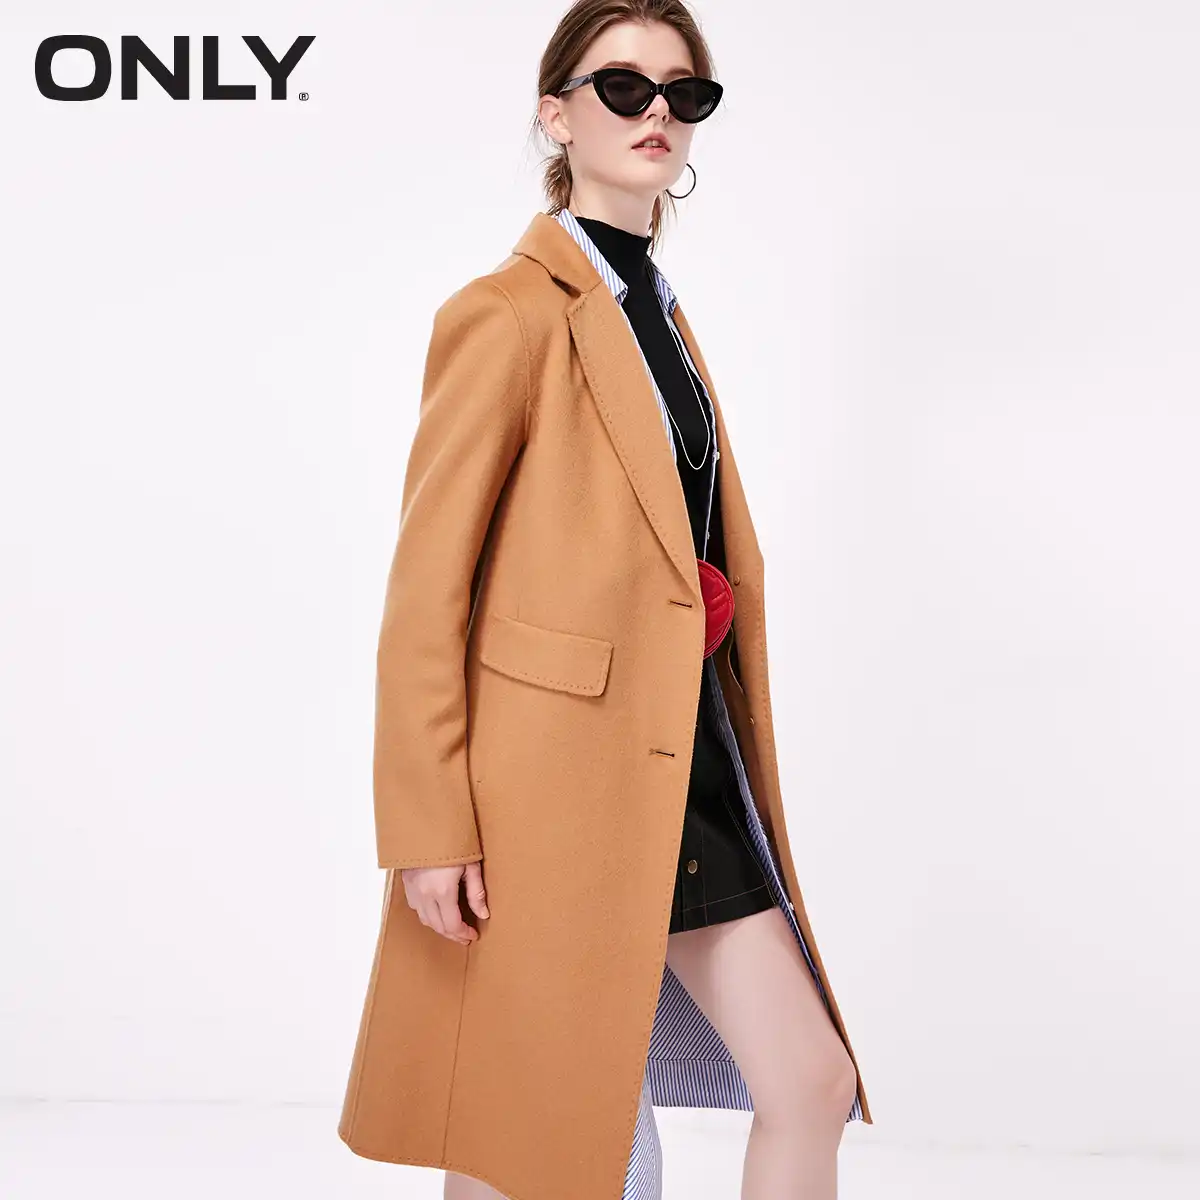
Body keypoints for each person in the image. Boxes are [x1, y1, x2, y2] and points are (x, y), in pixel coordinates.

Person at [337, 4, 872, 1198]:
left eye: (686, 94)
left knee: (807, 1079)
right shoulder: (506, 313)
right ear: (557, 112)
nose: (657, 114)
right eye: (624, 88)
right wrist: (430, 828)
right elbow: (428, 590)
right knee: (540, 1124)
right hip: (552, 780)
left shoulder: (659, 315)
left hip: (684, 760)